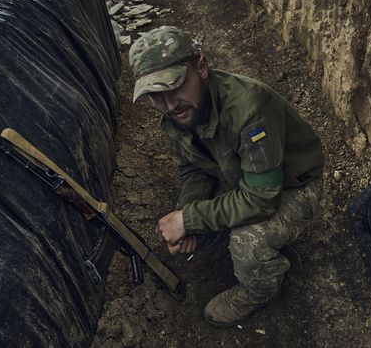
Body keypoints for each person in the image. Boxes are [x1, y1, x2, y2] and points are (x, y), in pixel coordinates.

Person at [128, 26, 324, 327]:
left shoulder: (250, 111)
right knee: (196, 223)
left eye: (175, 86)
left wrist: (189, 219)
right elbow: (193, 166)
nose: (168, 105)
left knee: (246, 243)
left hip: (292, 185)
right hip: (239, 175)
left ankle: (259, 289)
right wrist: (188, 210)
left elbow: (261, 198)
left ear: (202, 67)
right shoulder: (182, 112)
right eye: (155, 95)